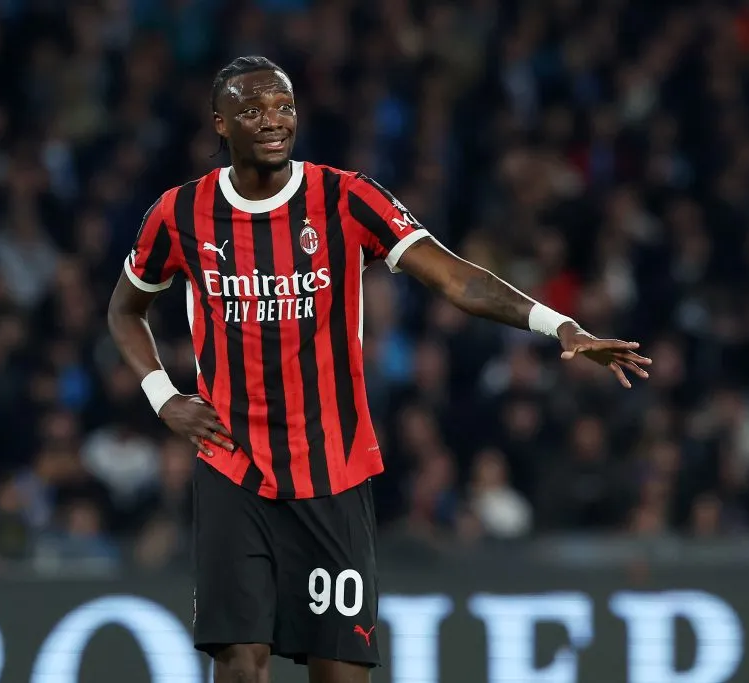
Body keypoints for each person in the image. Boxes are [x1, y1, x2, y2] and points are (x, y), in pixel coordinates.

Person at [107, 56, 651, 683]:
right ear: (220, 124)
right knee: (239, 663)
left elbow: (456, 278)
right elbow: (125, 309)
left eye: (283, 106)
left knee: (339, 671)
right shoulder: (178, 214)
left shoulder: (346, 197)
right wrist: (162, 397)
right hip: (234, 465)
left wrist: (560, 325)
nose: (274, 121)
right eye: (253, 110)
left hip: (332, 471)